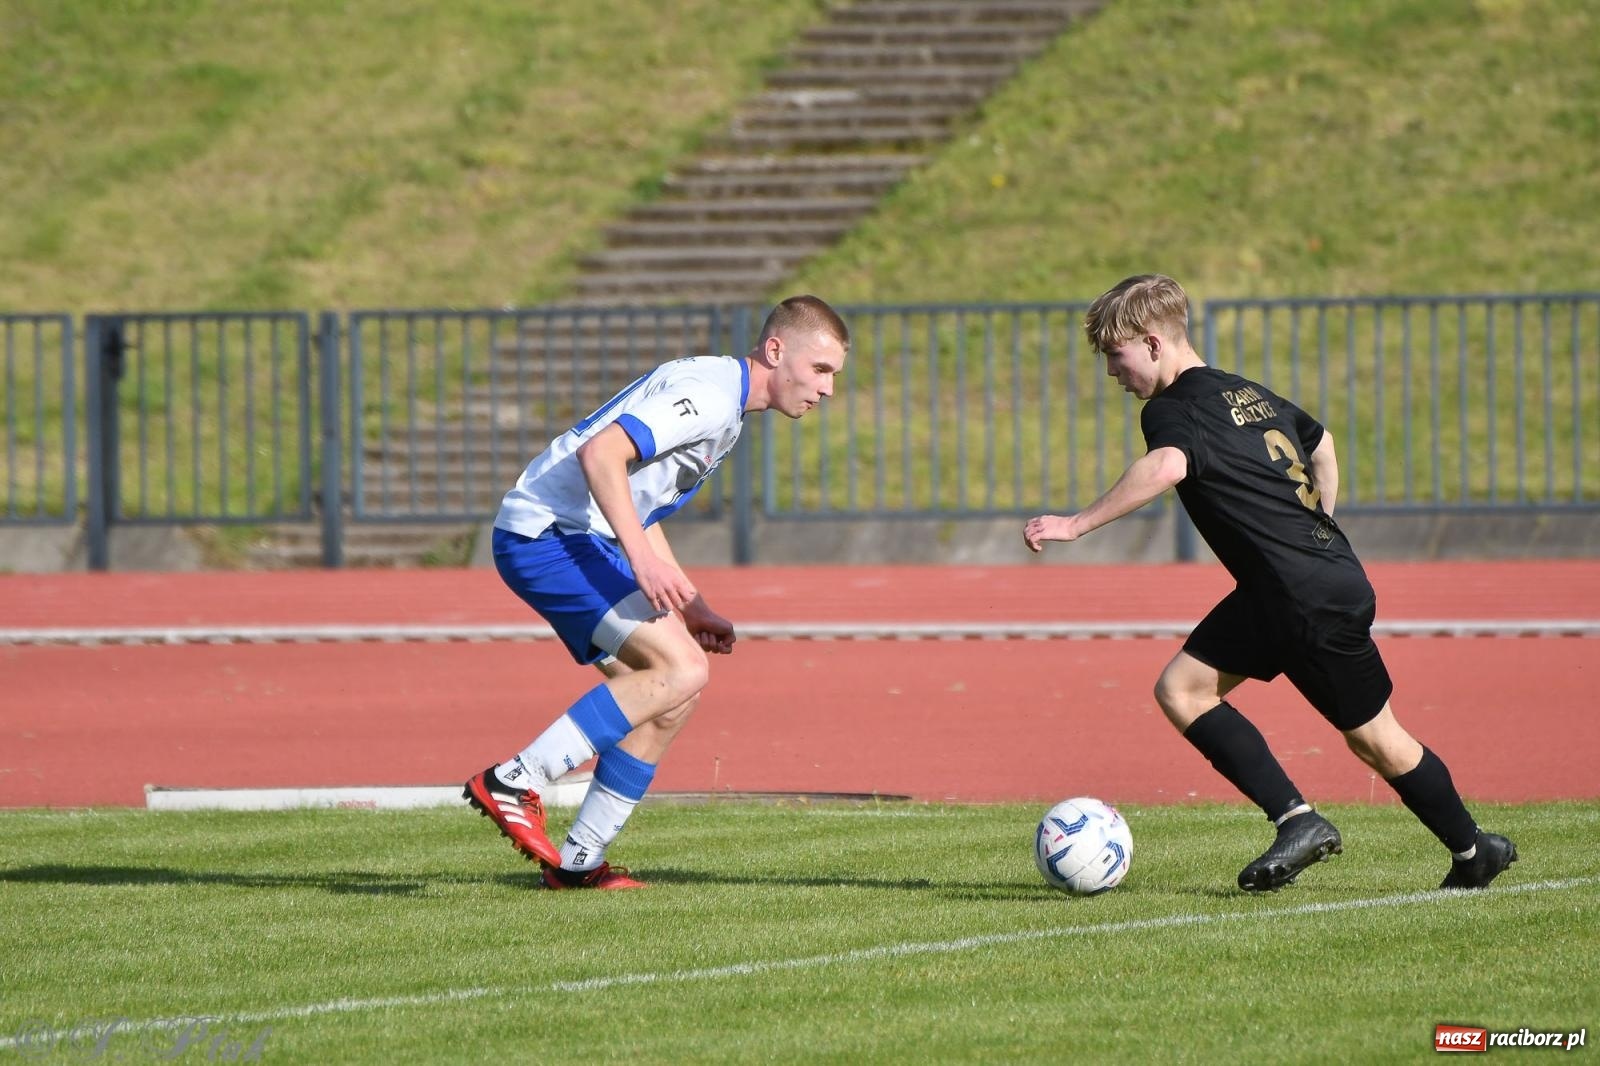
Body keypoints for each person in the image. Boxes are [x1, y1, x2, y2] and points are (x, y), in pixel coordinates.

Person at [1023, 274, 1516, 893]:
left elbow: (1169, 464)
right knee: (1377, 739)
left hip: (1287, 591)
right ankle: (1475, 852)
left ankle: (1297, 820)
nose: (1112, 374)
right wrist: (1321, 526)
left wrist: (1076, 523)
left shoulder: (1172, 408)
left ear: (1152, 344)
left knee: (1183, 691)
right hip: (1333, 577)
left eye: (1115, 357)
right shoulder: (1245, 392)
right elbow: (1323, 444)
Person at [464, 295, 849, 890]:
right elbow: (603, 453)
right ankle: (518, 778)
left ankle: (577, 863)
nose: (826, 389)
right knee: (683, 668)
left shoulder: (726, 399)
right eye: (820, 369)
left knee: (672, 694)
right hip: (548, 535)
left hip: (567, 538)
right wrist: (640, 563)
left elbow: (637, 503)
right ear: (776, 351)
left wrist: (691, 606)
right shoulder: (715, 396)